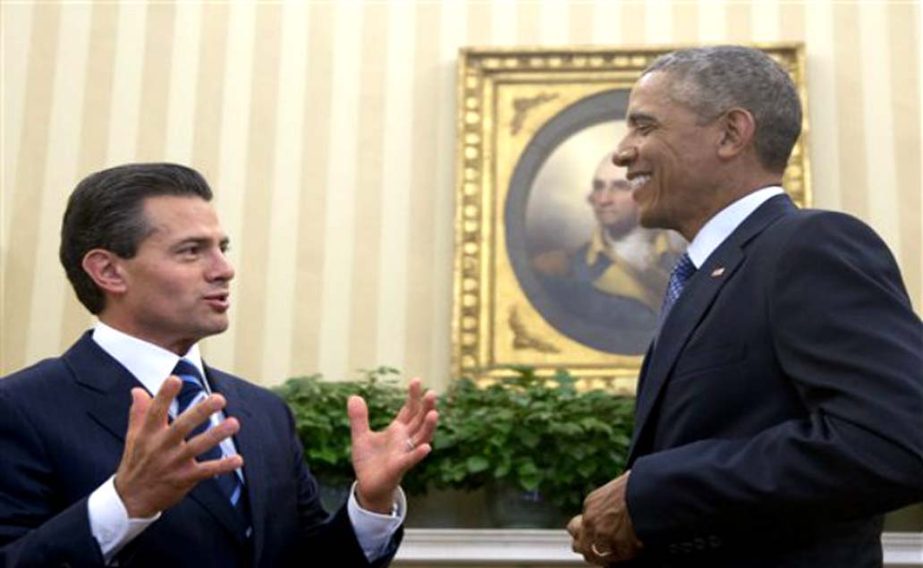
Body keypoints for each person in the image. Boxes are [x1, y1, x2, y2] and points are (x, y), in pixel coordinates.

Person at [566, 46, 923, 567]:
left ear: (731, 133)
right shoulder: (709, 273)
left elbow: (895, 439)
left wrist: (650, 494)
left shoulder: (808, 246)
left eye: (644, 127)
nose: (623, 152)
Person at [0, 163, 438, 567]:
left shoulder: (264, 412)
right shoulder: (20, 407)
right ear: (109, 272)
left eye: (222, 248)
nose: (224, 269)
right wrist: (124, 504)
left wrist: (371, 504)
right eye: (192, 251)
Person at [532, 153, 681, 355]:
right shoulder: (559, 268)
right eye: (599, 187)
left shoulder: (685, 263)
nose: (603, 199)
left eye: (620, 187)